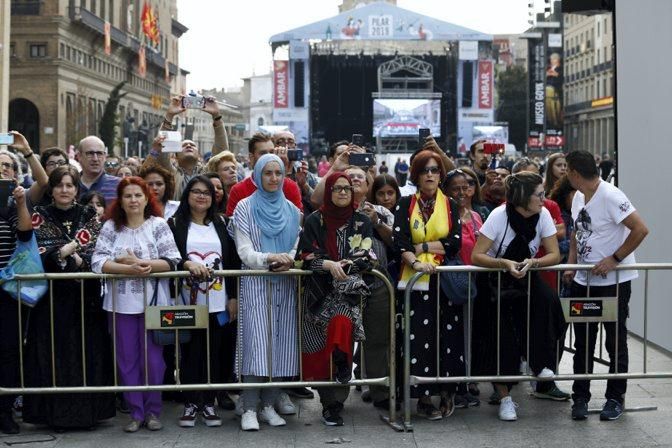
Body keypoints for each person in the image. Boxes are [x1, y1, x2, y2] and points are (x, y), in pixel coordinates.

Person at [23, 166, 115, 431]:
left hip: (84, 299)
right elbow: (38, 251)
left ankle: (86, 415)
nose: (65, 190)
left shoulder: (88, 214)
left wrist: (72, 253)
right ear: (51, 188)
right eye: (59, 185)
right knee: (53, 354)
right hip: (50, 300)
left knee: (86, 352)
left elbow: (98, 251)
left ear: (77, 189)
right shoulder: (39, 215)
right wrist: (65, 251)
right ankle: (56, 416)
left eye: (70, 185)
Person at [563, 150, 649, 422]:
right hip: (583, 281)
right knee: (583, 341)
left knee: (615, 340)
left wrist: (614, 258)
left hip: (614, 283)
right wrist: (572, 262)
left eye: (567, 170)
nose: (565, 174)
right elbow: (578, 231)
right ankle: (581, 396)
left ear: (576, 173)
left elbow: (640, 229)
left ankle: (615, 397)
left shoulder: (612, 196)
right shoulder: (578, 197)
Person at [471, 172, 563, 421]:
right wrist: (504, 263)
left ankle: (542, 362)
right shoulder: (499, 216)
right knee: (501, 333)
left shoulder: (543, 215)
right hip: (497, 278)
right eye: (539, 195)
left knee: (548, 302)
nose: (544, 199)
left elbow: (554, 254)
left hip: (528, 274)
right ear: (523, 196)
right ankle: (505, 398)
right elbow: (477, 256)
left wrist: (535, 261)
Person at [91, 177, 181, 433]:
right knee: (127, 360)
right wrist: (129, 267)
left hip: (154, 304)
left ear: (146, 198)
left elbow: (173, 259)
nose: (133, 200)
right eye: (127, 196)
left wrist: (145, 265)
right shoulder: (111, 227)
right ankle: (135, 412)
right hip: (120, 304)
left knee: (154, 361)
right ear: (120, 200)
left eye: (137, 195)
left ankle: (153, 411)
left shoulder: (158, 225)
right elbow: (98, 262)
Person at [298, 172, 376, 426]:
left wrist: (344, 265)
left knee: (341, 328)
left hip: (348, 292)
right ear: (328, 191)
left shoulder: (361, 221)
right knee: (321, 349)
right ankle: (328, 404)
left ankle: (342, 372)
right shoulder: (314, 220)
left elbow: (366, 255)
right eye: (337, 188)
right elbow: (306, 255)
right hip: (319, 294)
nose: (343, 192)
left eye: (347, 188)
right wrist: (327, 263)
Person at [232, 154, 301, 431]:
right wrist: (272, 258)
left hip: (284, 284)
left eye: (278, 173)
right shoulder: (244, 208)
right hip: (256, 285)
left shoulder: (293, 211)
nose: (273, 178)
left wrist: (289, 259)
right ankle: (249, 408)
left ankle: (269, 405)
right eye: (268, 173)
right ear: (258, 175)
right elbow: (244, 250)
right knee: (256, 347)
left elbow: (298, 246)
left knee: (282, 347)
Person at [393, 150, 464, 420]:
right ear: (416, 175)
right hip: (413, 281)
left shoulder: (450, 205)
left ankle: (447, 392)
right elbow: (398, 242)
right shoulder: (405, 203)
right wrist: (414, 260)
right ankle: (421, 397)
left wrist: (421, 246)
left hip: (443, 281)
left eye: (435, 170)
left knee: (448, 337)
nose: (431, 175)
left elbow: (454, 243)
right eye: (425, 171)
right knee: (417, 339)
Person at [168, 176, 241, 428]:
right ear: (187, 195)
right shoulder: (175, 223)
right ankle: (190, 403)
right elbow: (169, 256)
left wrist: (233, 296)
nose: (201, 196)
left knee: (215, 351)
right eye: (196, 192)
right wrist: (186, 264)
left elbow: (232, 262)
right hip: (186, 301)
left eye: (207, 193)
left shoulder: (222, 223)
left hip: (219, 302)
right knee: (190, 352)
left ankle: (209, 403)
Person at [145, 95, 229, 199]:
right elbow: (162, 148)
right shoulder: (170, 174)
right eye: (184, 145)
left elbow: (221, 153)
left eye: (193, 145)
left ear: (198, 155)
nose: (189, 145)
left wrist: (216, 116)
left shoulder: (208, 173)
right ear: (176, 156)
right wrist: (169, 116)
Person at [0, 185, 34, 434]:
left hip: (6, 289)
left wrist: (21, 203)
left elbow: (24, 235)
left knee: (9, 351)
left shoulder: (9, 207)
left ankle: (4, 409)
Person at [226, 132, 303, 218]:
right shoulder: (238, 190)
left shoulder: (290, 186)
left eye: (271, 152)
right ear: (251, 158)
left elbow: (297, 222)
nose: (269, 157)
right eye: (263, 153)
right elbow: (233, 226)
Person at [2, 131, 49, 206]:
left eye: (7, 165)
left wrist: (26, 150)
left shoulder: (23, 195)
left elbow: (43, 183)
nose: (3, 168)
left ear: (15, 172)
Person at [76, 136, 121, 202]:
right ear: (79, 156)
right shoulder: (69, 186)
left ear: (105, 157)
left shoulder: (118, 185)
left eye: (99, 153)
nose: (95, 159)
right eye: (90, 153)